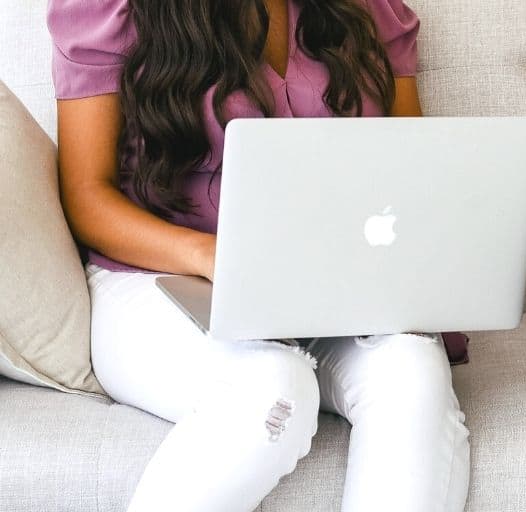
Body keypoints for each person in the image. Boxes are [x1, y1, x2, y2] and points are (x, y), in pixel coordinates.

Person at [47, 1, 469, 510]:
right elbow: (86, 194)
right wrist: (213, 256)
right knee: (271, 388)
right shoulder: (107, 9)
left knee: (413, 375)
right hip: (160, 278)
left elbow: (413, 169)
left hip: (333, 287)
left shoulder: (369, 9)